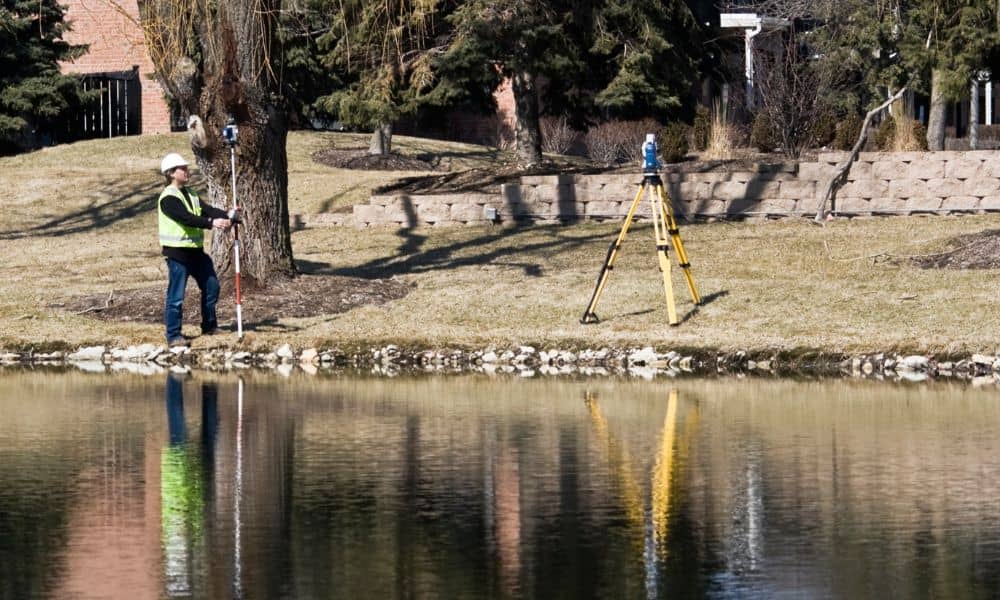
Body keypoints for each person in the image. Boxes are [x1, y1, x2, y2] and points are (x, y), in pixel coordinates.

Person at [158, 152, 232, 347]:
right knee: (176, 297)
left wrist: (228, 215)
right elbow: (186, 218)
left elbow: (207, 210)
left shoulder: (190, 194)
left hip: (196, 253)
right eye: (182, 168)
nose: (186, 171)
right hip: (177, 255)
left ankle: (209, 326)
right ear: (171, 173)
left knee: (212, 287)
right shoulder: (168, 198)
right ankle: (174, 336)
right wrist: (212, 223)